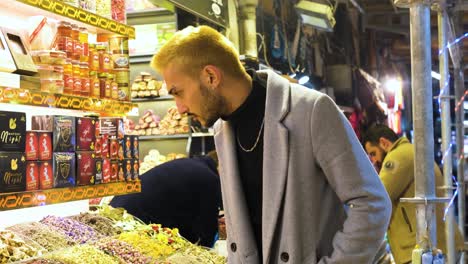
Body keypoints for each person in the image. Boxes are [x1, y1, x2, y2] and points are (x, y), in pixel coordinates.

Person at [151, 25, 391, 263]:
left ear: (211, 77)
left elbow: (371, 203)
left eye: (178, 92)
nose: (179, 108)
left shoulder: (310, 111)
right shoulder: (221, 128)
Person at [362, 124, 464, 264]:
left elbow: (377, 196)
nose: (373, 160)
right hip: (435, 246)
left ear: (384, 143)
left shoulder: (398, 156)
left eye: (373, 153)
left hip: (424, 250)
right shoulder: (410, 151)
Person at [110, 152, 221, 247]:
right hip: (129, 218)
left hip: (120, 208)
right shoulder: (209, 177)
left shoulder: (194, 165)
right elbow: (208, 226)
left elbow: (183, 211)